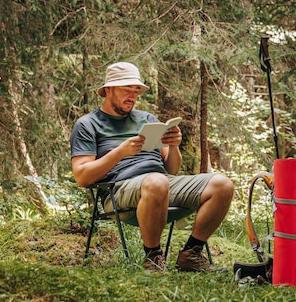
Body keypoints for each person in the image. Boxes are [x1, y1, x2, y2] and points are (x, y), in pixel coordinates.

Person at [70, 62, 234, 271]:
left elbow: (171, 170)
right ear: (108, 89)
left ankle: (191, 254)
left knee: (222, 185)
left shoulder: (147, 119)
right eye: (126, 89)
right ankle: (154, 259)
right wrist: (120, 152)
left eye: (136, 90)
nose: (132, 95)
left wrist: (174, 146)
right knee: (157, 182)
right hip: (118, 190)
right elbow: (82, 177)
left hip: (162, 182)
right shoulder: (88, 124)